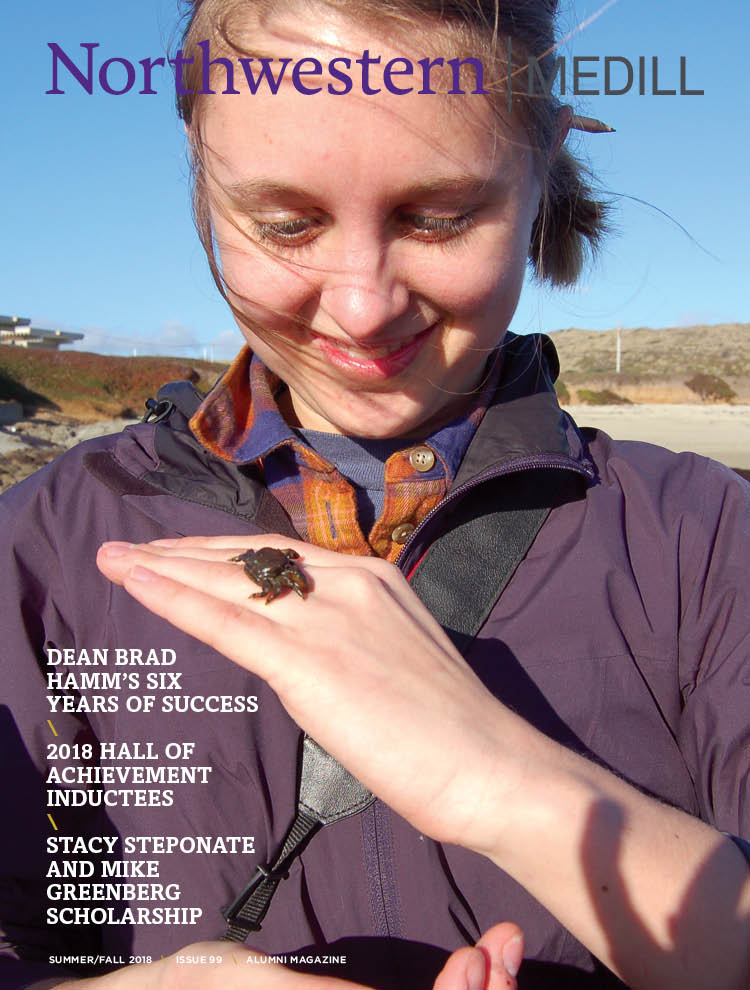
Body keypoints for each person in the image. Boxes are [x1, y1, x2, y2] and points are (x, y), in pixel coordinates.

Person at [1, 1, 749, 988]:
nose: (361, 304)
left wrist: (507, 782)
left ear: (541, 172)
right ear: (199, 170)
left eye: (439, 217)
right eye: (284, 222)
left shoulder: (706, 537)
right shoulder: (46, 541)